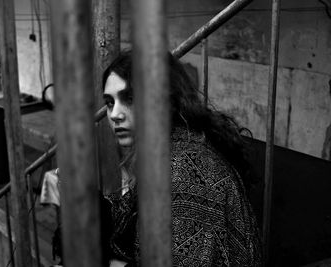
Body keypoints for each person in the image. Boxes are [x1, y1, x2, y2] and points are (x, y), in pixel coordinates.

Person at [101, 50, 262, 267]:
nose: (114, 114)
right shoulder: (174, 146)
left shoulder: (184, 169)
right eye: (110, 102)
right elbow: (133, 210)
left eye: (129, 98)